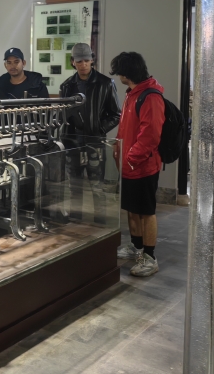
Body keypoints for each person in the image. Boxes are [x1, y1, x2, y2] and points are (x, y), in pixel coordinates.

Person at [110, 52, 165, 277]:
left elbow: (150, 135)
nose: (118, 76)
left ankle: (149, 258)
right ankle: (136, 246)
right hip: (129, 165)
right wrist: (119, 150)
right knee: (132, 209)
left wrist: (131, 158)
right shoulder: (132, 94)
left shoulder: (150, 96)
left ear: (127, 73)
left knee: (146, 212)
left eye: (119, 72)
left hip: (143, 166)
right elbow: (126, 128)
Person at [59, 43, 121, 225]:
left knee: (97, 185)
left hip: (95, 142)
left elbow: (116, 114)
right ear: (73, 62)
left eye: (86, 60)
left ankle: (100, 221)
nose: (83, 64)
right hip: (72, 141)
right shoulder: (67, 85)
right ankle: (75, 218)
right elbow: (62, 113)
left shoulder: (105, 83)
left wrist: (99, 129)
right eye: (79, 61)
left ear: (92, 60)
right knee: (74, 184)